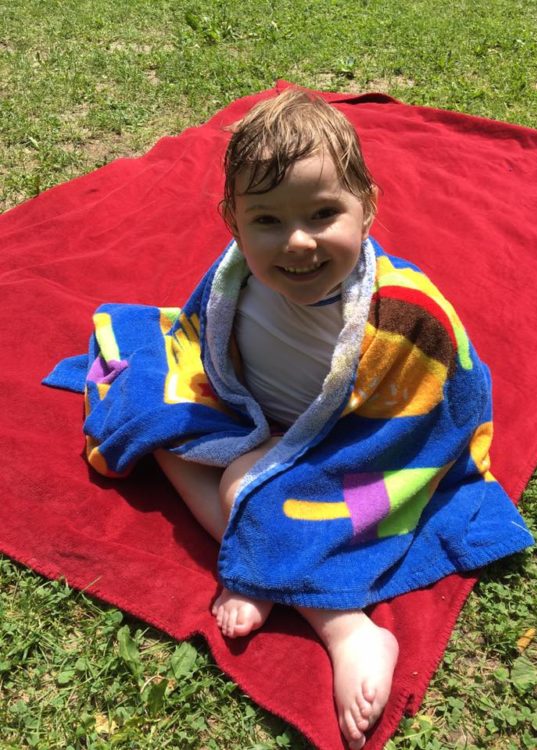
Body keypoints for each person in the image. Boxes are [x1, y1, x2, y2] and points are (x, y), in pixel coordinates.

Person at [154, 88, 399, 750]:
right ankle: (267, 553)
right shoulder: (232, 279)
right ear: (232, 221)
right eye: (267, 220)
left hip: (347, 447)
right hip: (259, 420)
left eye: (323, 214)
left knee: (241, 486)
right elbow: (200, 333)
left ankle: (345, 628)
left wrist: (299, 456)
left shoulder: (393, 312)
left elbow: (437, 391)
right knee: (160, 437)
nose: (297, 242)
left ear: (367, 208)